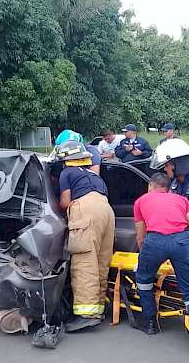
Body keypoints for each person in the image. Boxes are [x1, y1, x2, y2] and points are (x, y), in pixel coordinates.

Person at [133, 172, 189, 358]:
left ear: (152, 186)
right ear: (167, 188)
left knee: (144, 279)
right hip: (182, 241)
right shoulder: (181, 200)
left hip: (154, 241)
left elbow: (140, 236)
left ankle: (150, 323)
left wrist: (145, 259)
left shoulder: (141, 201)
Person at [55, 140, 115, 332]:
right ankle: (98, 307)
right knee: (101, 262)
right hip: (106, 210)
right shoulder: (93, 175)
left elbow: (65, 202)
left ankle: (86, 314)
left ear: (65, 159)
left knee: (84, 262)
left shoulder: (66, 173)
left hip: (86, 210)